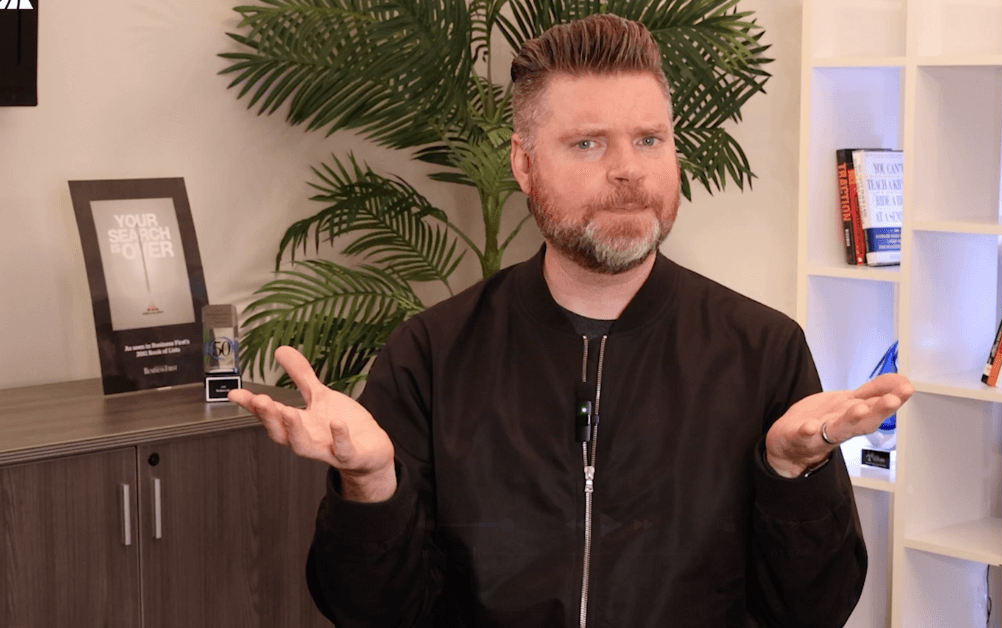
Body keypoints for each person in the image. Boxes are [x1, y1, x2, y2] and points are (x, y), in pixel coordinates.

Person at [229, 13, 913, 628]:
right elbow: (369, 611)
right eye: (588, 144)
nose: (628, 171)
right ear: (523, 164)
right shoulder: (433, 353)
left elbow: (813, 610)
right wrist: (372, 486)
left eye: (650, 139)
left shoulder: (763, 349)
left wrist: (791, 472)